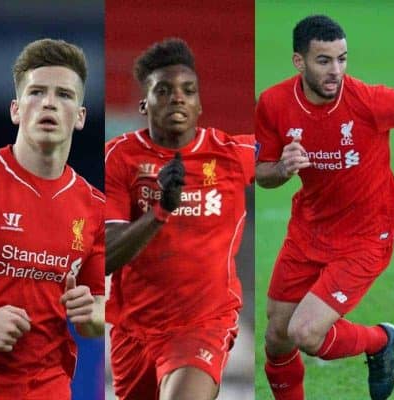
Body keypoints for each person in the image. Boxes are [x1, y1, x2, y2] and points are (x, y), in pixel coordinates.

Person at [256, 15, 394, 400]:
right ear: (298, 62)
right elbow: (261, 173)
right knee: (276, 337)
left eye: (342, 59)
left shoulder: (370, 101)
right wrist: (282, 168)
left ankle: (378, 340)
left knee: (304, 332)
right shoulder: (273, 103)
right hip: (310, 229)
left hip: (368, 233)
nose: (336, 70)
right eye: (324, 60)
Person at [105, 38, 254, 400]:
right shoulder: (119, 158)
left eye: (189, 90)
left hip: (204, 322)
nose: (178, 98)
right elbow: (106, 254)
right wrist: (159, 212)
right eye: (164, 90)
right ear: (144, 103)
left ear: (200, 103)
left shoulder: (232, 154)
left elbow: (281, 155)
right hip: (135, 330)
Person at [0, 38, 105, 399]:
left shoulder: (95, 208)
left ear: (81, 116)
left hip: (44, 385)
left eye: (65, 95)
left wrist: (92, 315)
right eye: (37, 92)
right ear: (16, 110)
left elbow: (98, 310)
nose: (50, 102)